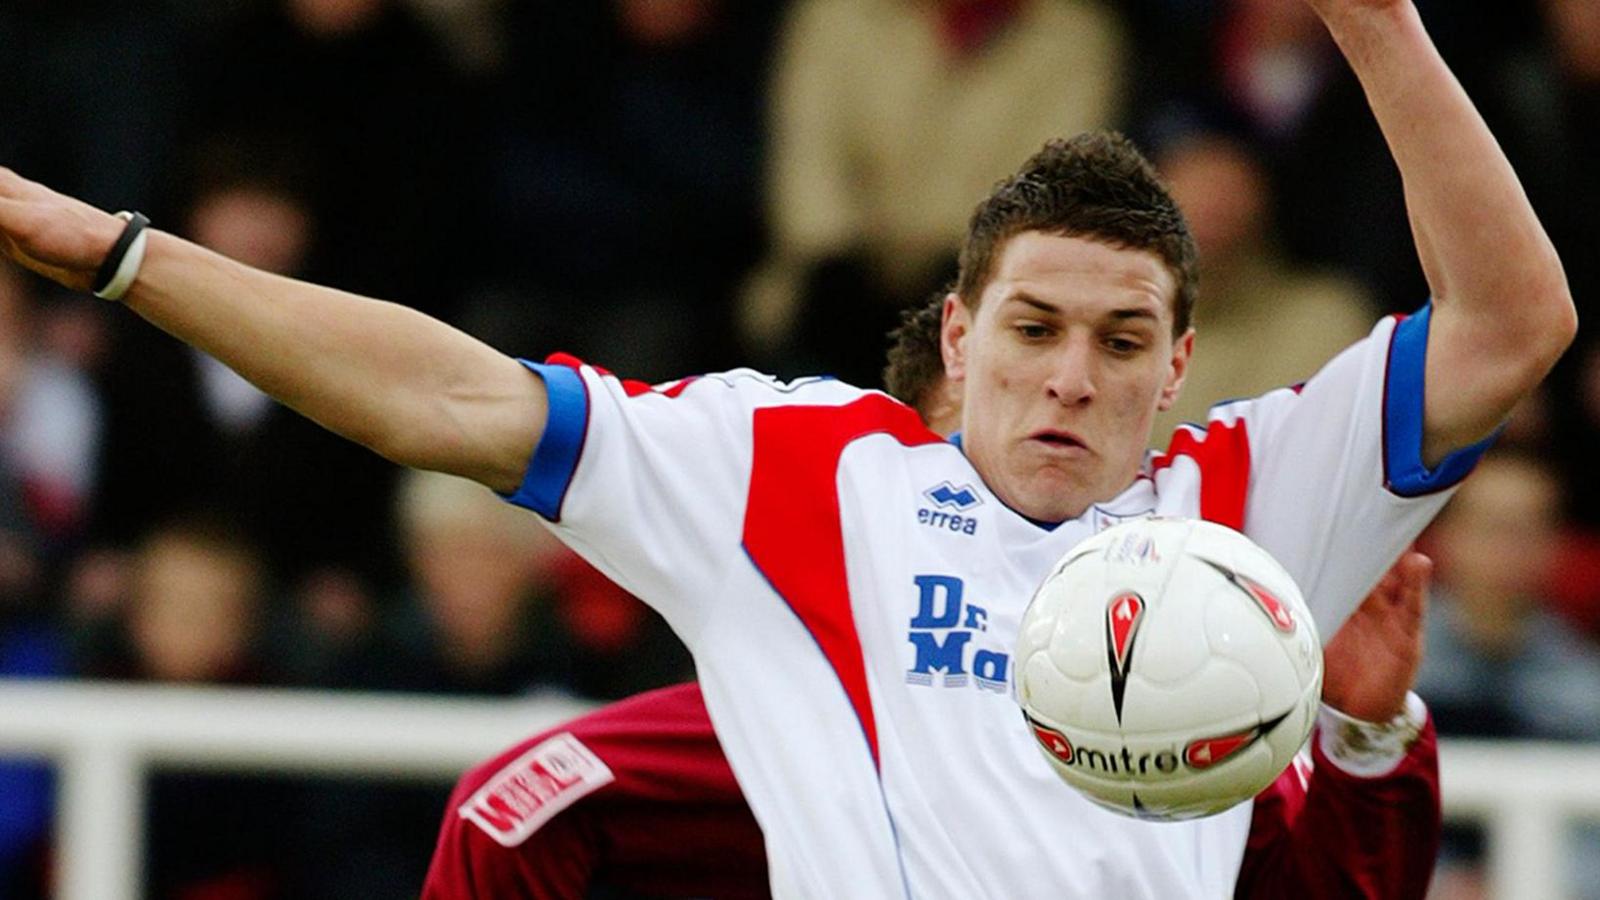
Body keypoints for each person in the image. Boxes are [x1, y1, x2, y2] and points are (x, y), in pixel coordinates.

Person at [0, 0, 1575, 893]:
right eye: (1031, 330)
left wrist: (1377, 28)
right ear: (958, 340)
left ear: (1178, 371)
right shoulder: (806, 471)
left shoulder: (1251, 503)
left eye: (1117, 344)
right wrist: (130, 256)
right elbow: (448, 396)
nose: (1069, 379)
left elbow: (1513, 325)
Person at [420, 296, 1442, 899]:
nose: (1051, 410)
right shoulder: (815, 711)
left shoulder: (1178, 683)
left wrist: (1370, 734)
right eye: (958, 446)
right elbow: (519, 806)